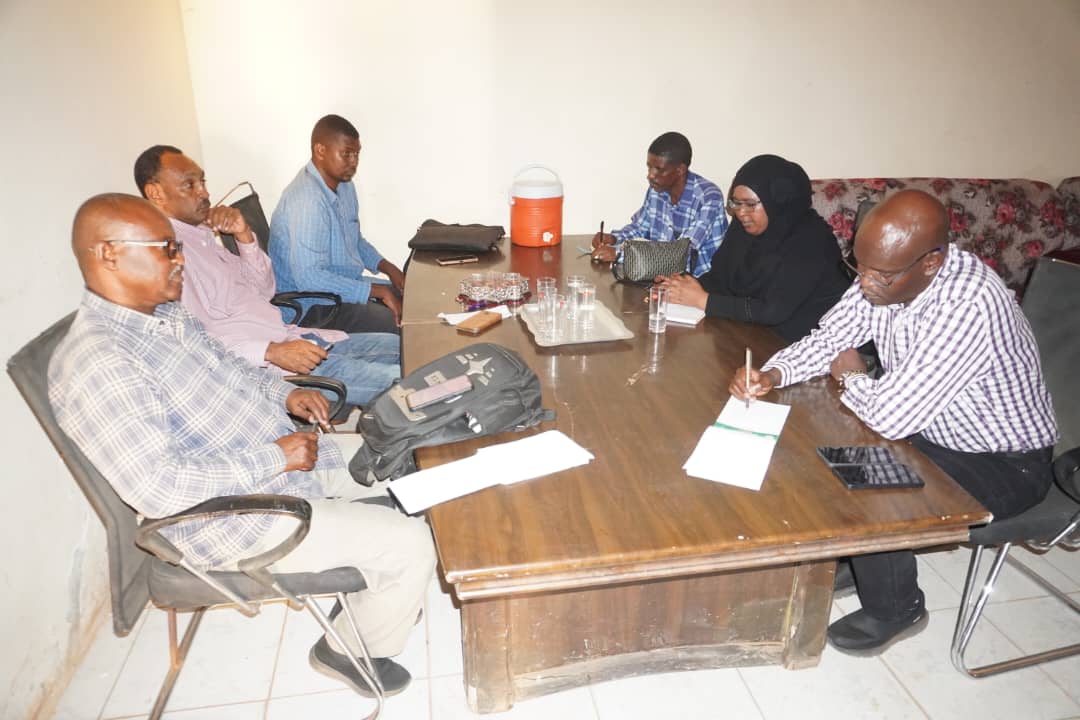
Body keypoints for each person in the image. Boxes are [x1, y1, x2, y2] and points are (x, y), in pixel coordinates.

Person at [49, 194, 435, 695]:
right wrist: (277, 456)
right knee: (412, 543)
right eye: (166, 248)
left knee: (408, 462)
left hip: (281, 460)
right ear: (108, 254)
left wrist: (284, 393)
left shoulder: (163, 314)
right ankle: (345, 650)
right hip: (234, 515)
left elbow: (232, 366)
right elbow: (161, 489)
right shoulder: (101, 362)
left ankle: (379, 595)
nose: (180, 259)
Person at [729, 189, 1058, 655]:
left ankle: (898, 608)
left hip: (1005, 462)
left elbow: (891, 416)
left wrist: (852, 377)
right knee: (828, 444)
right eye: (858, 267)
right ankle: (866, 559)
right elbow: (831, 337)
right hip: (936, 431)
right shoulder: (884, 273)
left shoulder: (969, 304)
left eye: (879, 274)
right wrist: (773, 373)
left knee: (874, 483)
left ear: (931, 263)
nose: (865, 283)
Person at [134, 145, 400, 408]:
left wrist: (244, 236)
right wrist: (270, 351)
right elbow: (197, 343)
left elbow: (265, 290)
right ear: (156, 193)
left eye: (202, 182)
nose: (204, 192)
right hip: (272, 369)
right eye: (189, 185)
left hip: (294, 338)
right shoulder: (168, 260)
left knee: (402, 347)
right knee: (403, 382)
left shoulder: (201, 237)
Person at [656, 154, 849, 343]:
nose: (741, 213)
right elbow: (721, 280)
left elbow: (773, 311)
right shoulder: (744, 228)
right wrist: (680, 287)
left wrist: (703, 300)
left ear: (778, 202)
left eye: (750, 204)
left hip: (814, 343)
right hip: (756, 334)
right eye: (736, 203)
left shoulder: (812, 240)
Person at [270, 114, 404, 333]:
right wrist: (377, 291)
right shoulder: (307, 201)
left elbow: (355, 240)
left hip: (340, 289)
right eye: (346, 154)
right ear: (320, 151)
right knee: (402, 326)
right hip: (312, 306)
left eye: (357, 154)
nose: (354, 162)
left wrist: (389, 269)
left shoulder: (344, 185)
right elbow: (310, 278)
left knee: (413, 300)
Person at [590, 131, 728, 276]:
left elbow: (681, 253)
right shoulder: (657, 190)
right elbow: (640, 228)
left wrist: (618, 254)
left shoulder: (708, 197)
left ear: (680, 170)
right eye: (649, 167)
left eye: (659, 169)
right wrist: (614, 239)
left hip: (700, 281)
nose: (650, 175)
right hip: (661, 275)